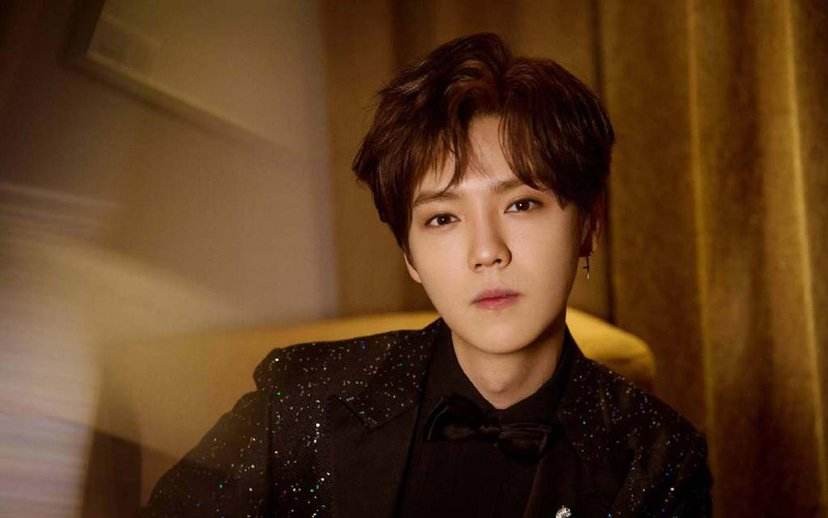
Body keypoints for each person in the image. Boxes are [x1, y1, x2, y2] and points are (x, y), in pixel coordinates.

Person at [143, 33, 711, 517]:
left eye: (521, 205)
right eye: (442, 218)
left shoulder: (658, 458)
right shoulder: (301, 401)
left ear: (588, 225)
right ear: (409, 255)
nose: (486, 252)